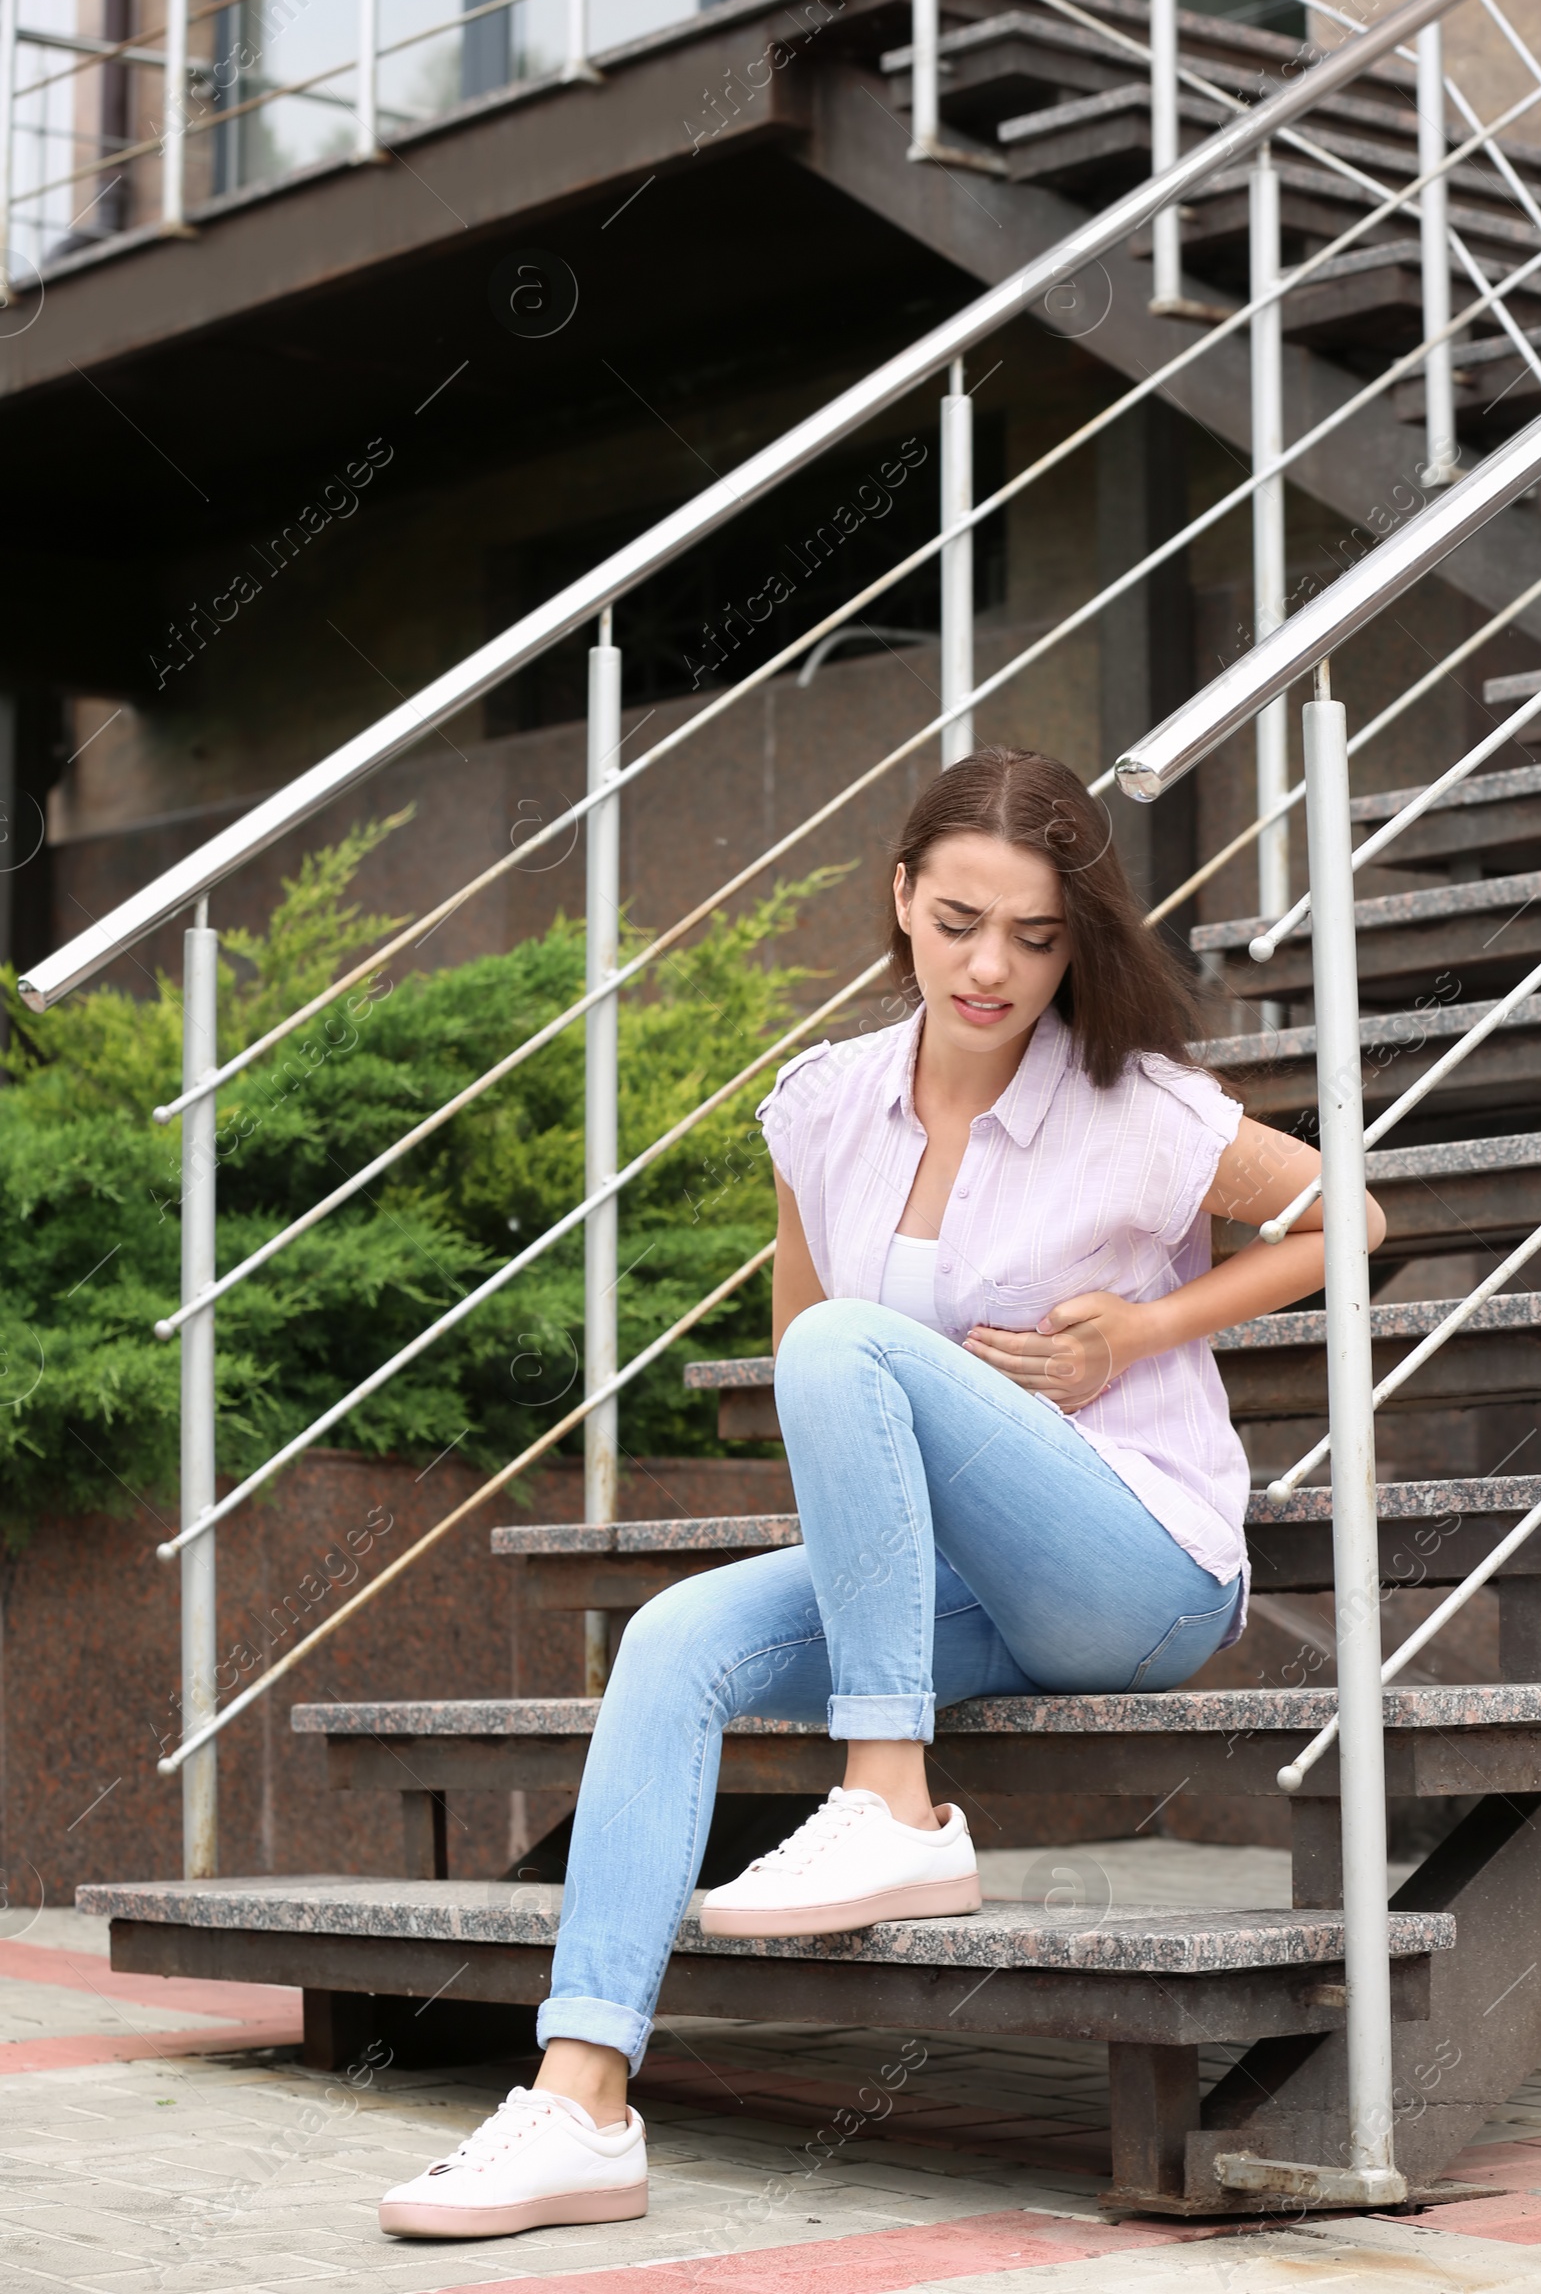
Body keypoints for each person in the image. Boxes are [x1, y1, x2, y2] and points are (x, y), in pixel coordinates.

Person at [379, 746, 1379, 2240]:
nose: (993, 967)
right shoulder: (826, 1105)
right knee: (672, 1642)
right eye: (961, 919)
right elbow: (803, 1359)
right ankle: (579, 2104)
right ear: (901, 896)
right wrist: (865, 1572)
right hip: (965, 1587)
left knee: (855, 1342)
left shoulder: (1138, 1103)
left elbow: (1346, 1213)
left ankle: (892, 1803)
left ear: (1076, 943)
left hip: (1140, 1562)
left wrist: (1141, 1330)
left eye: (1037, 939)